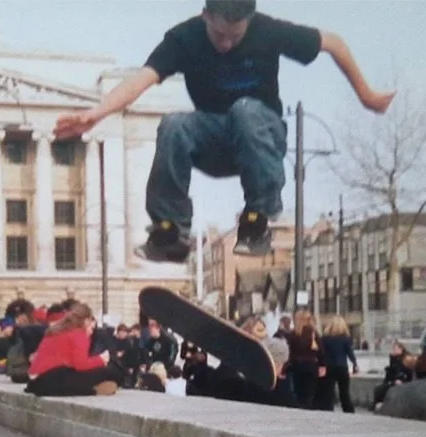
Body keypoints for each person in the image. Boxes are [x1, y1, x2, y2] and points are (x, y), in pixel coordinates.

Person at [53, 1, 393, 263]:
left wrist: (366, 94)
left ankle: (257, 219)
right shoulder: (183, 39)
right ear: (205, 16)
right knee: (173, 124)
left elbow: (333, 43)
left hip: (261, 137)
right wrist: (97, 113)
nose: (227, 44)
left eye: (236, 36)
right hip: (213, 142)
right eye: (219, 35)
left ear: (250, 21)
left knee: (245, 110)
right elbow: (141, 79)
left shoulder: (269, 31)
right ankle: (170, 233)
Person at [25, 303, 122, 397]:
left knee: (83, 377)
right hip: (51, 380)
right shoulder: (79, 333)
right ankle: (93, 389)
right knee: (112, 373)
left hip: (36, 381)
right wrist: (101, 359)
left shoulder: (57, 330)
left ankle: (92, 389)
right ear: (86, 320)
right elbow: (81, 365)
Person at [316, 317, 357, 413]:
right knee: (344, 392)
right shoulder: (346, 339)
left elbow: (321, 353)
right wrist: (355, 364)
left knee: (328, 392)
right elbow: (350, 353)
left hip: (329, 367)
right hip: (342, 367)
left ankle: (328, 409)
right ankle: (348, 410)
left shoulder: (324, 339)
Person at [286, 309, 324, 409]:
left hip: (297, 366)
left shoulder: (292, 334)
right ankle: (307, 408)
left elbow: (289, 352)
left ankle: (300, 408)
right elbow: (321, 351)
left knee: (299, 391)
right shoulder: (313, 333)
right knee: (310, 392)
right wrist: (323, 365)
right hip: (311, 366)